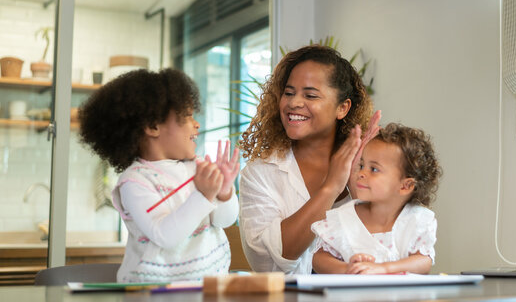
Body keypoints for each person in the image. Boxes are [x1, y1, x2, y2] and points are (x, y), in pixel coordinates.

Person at [78, 68, 240, 282]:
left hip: (207, 286)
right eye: (188, 115)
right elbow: (165, 235)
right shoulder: (135, 181)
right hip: (151, 291)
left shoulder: (197, 168)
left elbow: (225, 221)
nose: (197, 123)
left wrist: (224, 192)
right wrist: (203, 195)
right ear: (153, 126)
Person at [238, 45, 381, 274]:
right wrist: (330, 188)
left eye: (310, 95)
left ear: (342, 108)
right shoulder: (261, 172)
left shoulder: (370, 168)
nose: (294, 103)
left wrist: (358, 191)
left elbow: (395, 246)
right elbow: (265, 263)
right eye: (289, 92)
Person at [311, 123, 441, 274]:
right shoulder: (343, 218)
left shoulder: (417, 220)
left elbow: (423, 261)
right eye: (361, 166)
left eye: (374, 169)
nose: (361, 173)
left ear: (405, 186)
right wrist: (348, 269)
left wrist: (383, 269)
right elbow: (318, 259)